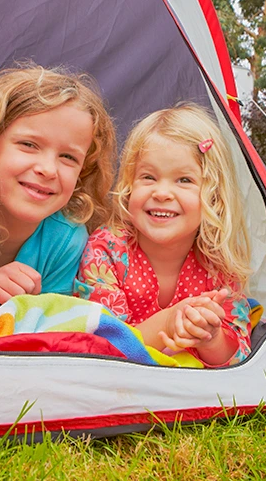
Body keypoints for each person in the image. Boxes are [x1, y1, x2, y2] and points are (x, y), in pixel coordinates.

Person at [75, 103, 252, 367]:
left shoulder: (219, 263)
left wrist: (210, 337)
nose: (162, 193)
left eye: (184, 180)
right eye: (148, 177)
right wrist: (169, 322)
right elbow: (103, 346)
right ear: (128, 186)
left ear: (213, 197)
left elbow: (238, 357)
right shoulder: (106, 250)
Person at [0, 65, 116, 312]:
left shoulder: (66, 238)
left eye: (68, 157)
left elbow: (49, 330)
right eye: (29, 144)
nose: (48, 169)